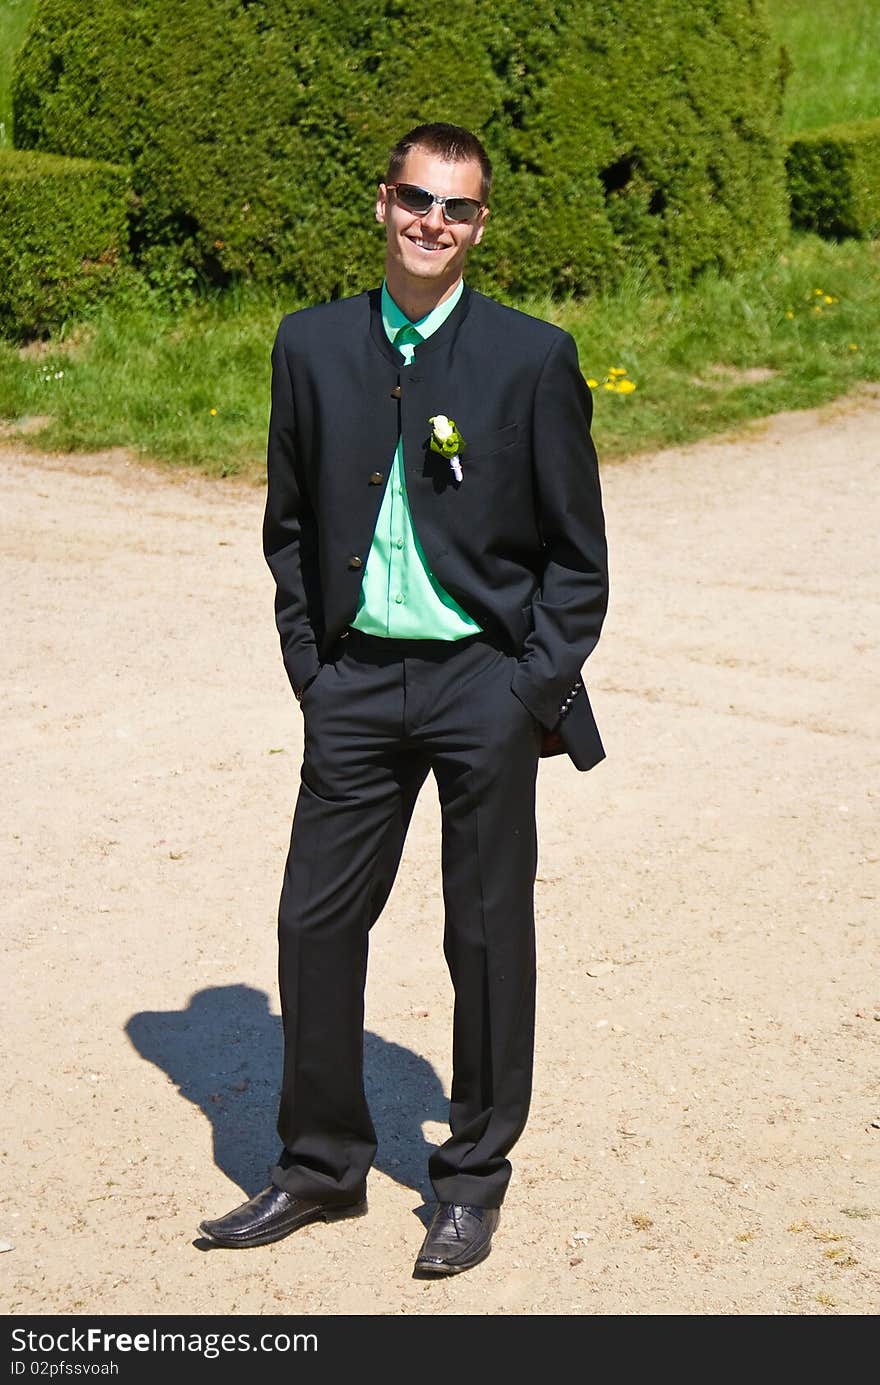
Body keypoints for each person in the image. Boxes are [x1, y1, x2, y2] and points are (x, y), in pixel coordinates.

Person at [199, 122, 608, 1277]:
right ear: (381, 203)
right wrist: (312, 676)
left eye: (458, 208)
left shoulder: (532, 356)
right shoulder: (310, 344)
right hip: (356, 683)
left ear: (481, 224)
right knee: (313, 921)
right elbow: (286, 528)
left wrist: (531, 682)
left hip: (485, 680)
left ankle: (472, 1178)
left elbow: (579, 557)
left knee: (484, 936)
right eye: (417, 199)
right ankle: (320, 1165)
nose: (434, 222)